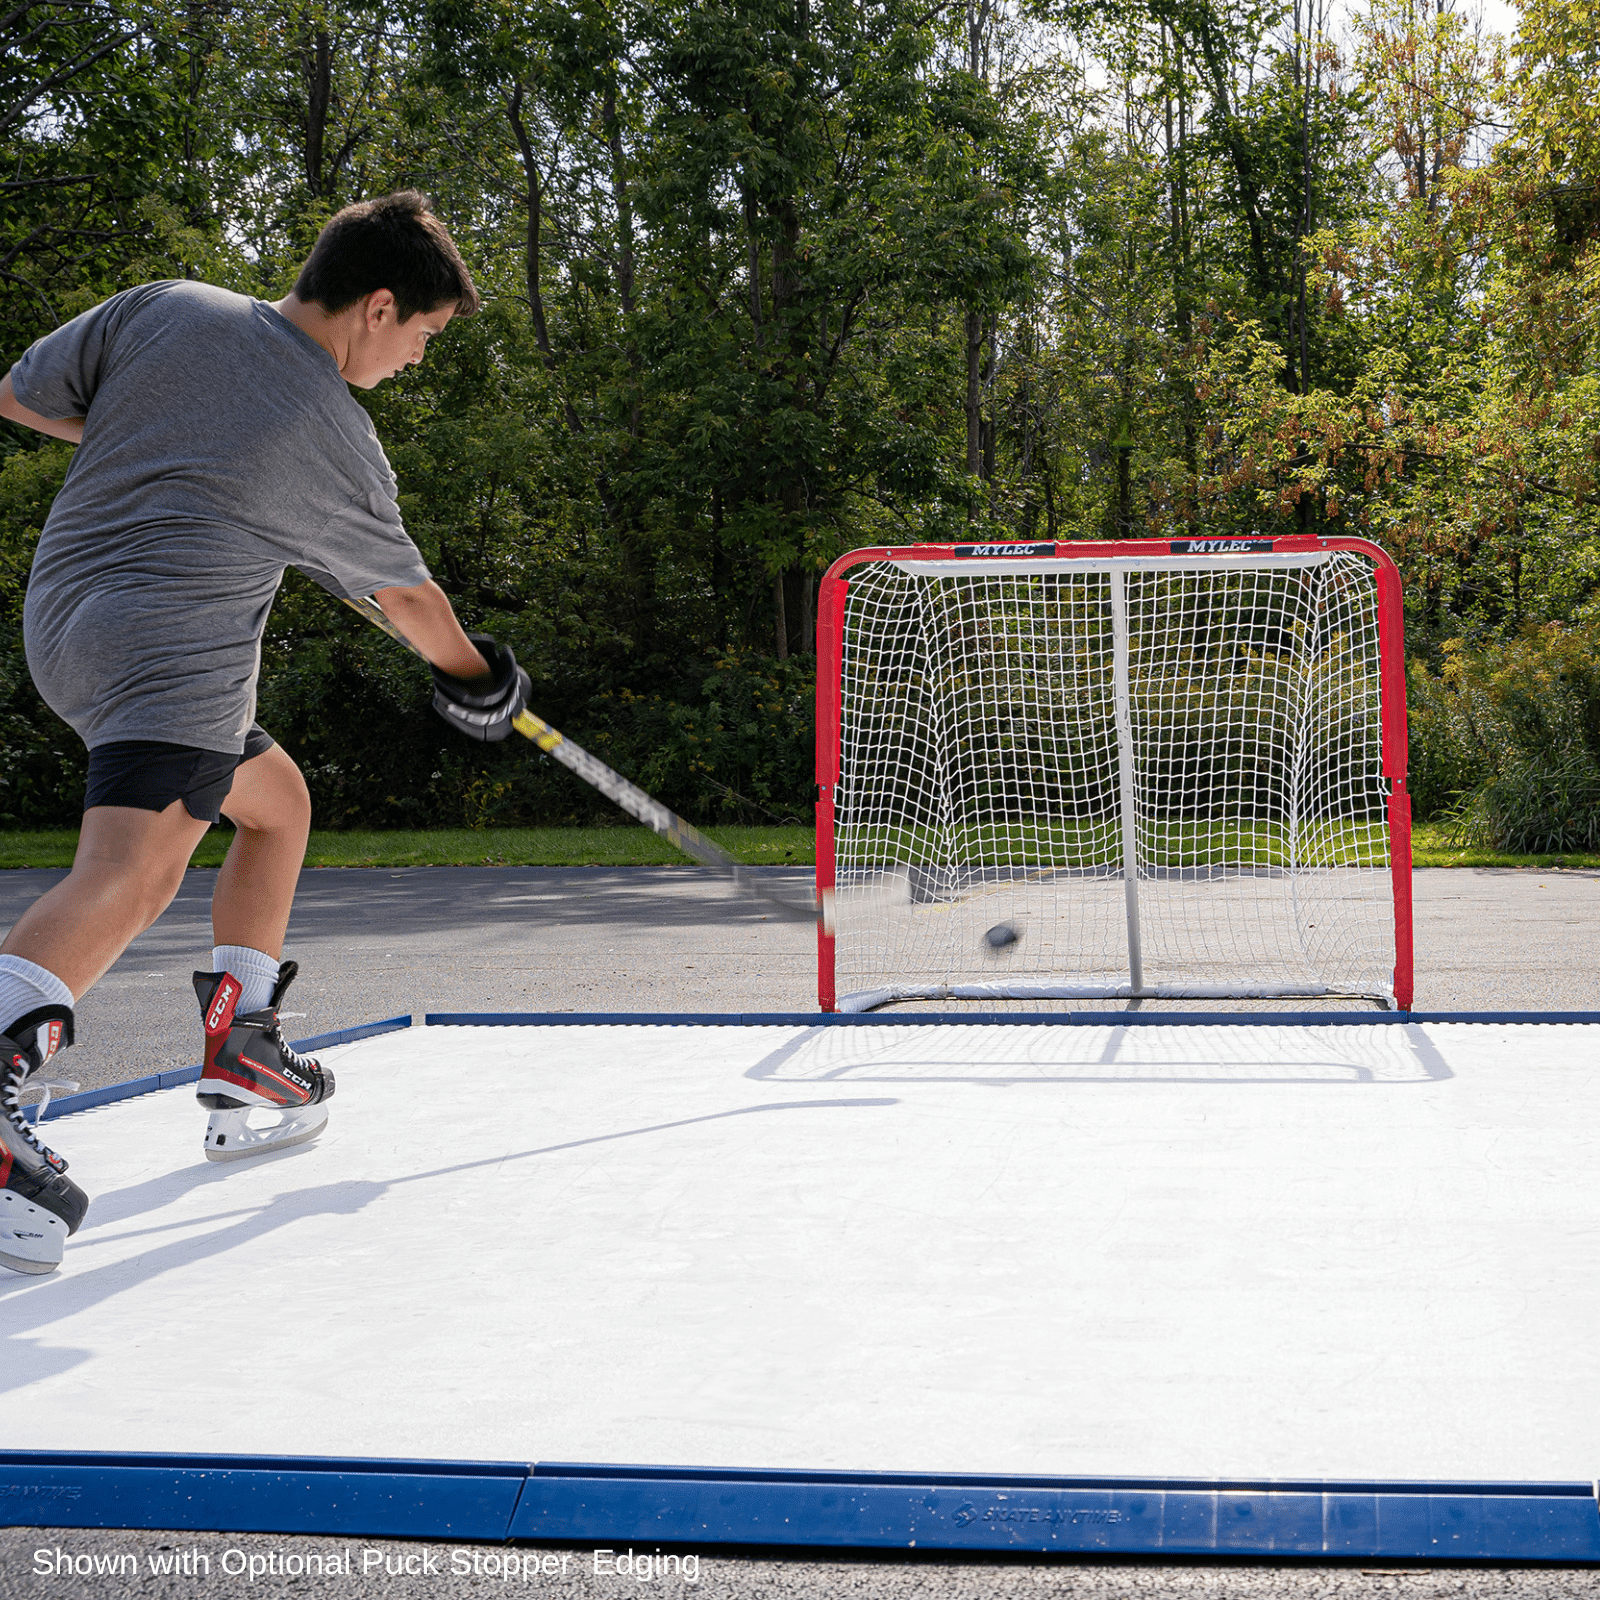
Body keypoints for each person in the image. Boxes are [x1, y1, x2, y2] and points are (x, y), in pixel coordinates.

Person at [0, 191, 527, 1276]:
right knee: (133, 875)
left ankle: (244, 1056)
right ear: (378, 307)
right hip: (168, 652)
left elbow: (20, 395)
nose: (419, 360)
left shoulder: (167, 307)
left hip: (64, 632)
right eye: (424, 336)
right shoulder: (332, 431)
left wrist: (181, 456)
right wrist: (483, 682)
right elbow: (414, 606)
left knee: (275, 803)